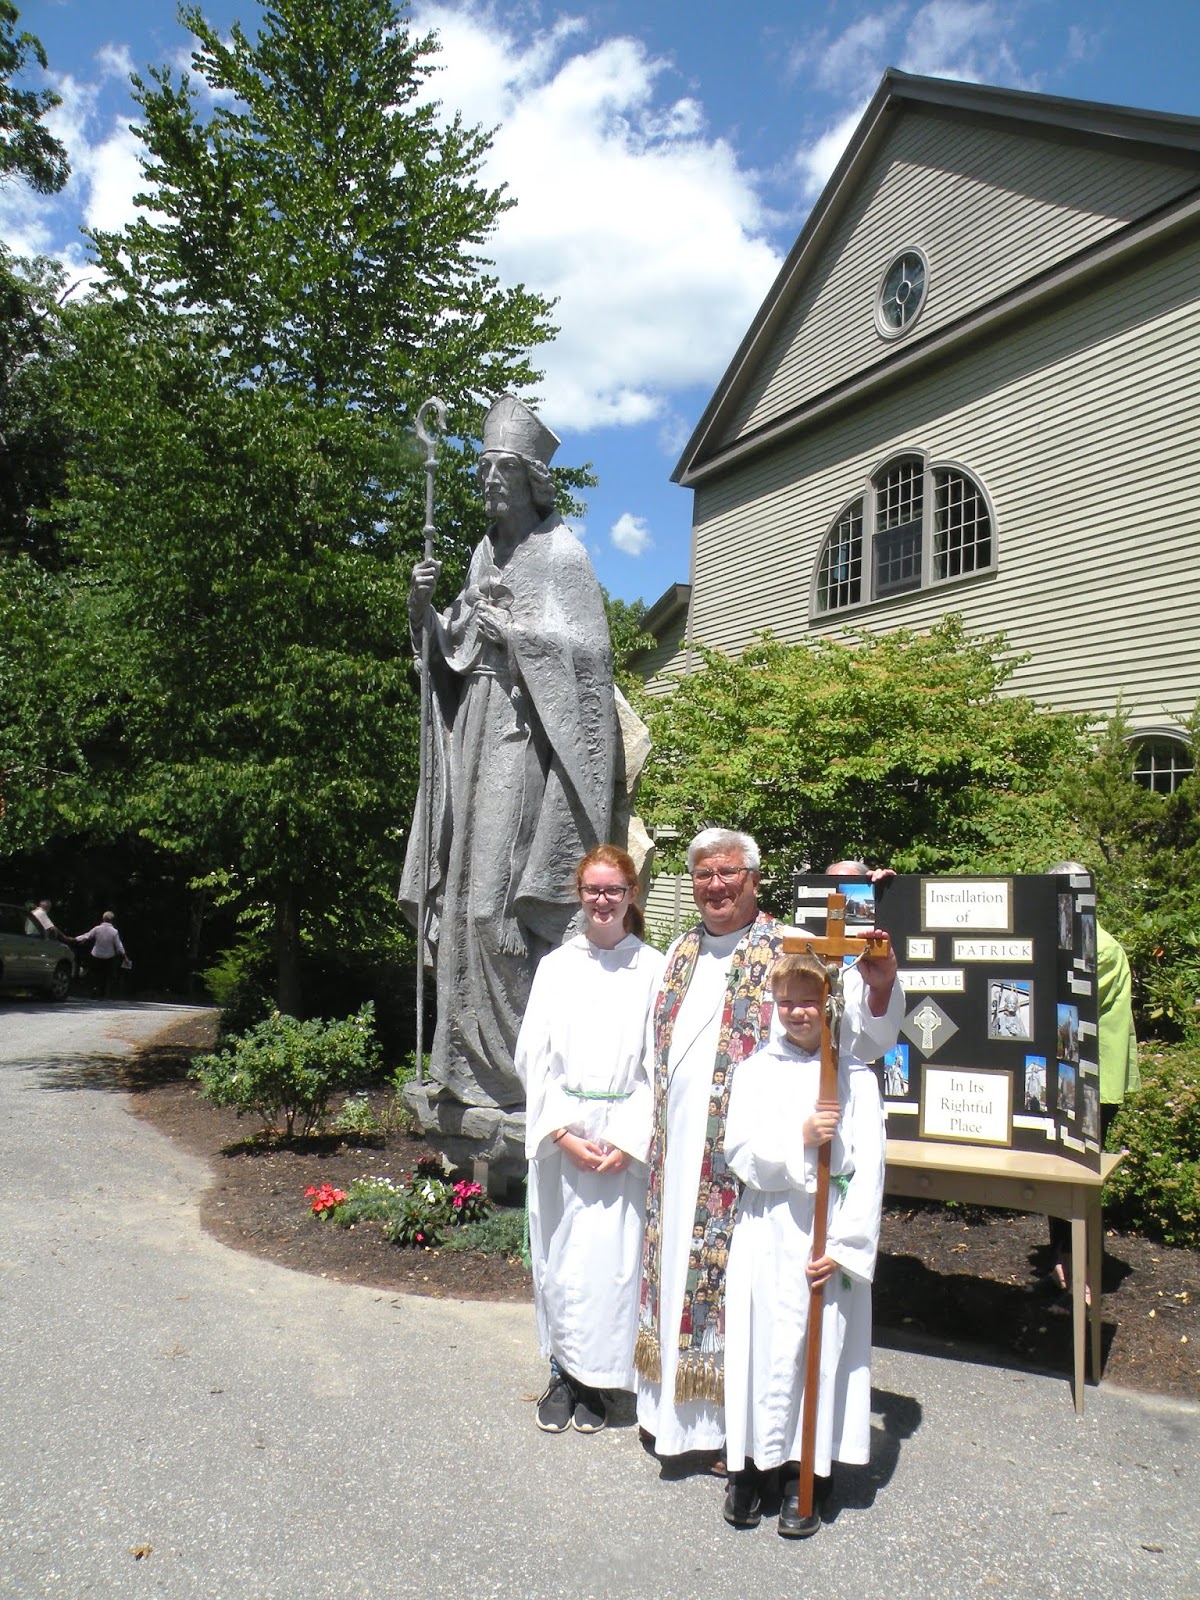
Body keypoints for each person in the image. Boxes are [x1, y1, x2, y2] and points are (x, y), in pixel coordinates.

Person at [399, 395, 616, 1113]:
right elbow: (453, 652)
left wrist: (519, 638)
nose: (488, 480)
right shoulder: (482, 551)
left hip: (524, 741)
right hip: (474, 727)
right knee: (461, 895)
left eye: (502, 468)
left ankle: (522, 1074)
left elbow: (591, 662)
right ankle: (464, 1067)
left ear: (531, 477)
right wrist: (425, 612)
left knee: (495, 908)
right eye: (483, 467)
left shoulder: (564, 555)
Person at [721, 950, 902, 1537]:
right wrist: (799, 1139)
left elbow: (870, 1167)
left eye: (808, 1000)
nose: (797, 1012)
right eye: (786, 1002)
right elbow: (739, 1152)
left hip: (828, 1233)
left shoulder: (854, 1076)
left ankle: (808, 1473)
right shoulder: (754, 1071)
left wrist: (845, 1246)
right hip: (769, 1226)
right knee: (759, 1346)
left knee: (819, 1355)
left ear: (828, 1003)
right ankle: (750, 1467)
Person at [515, 844, 665, 1435]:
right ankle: (561, 1373)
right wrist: (560, 1132)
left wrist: (627, 1140)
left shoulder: (654, 969)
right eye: (592, 890)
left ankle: (597, 1381)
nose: (602, 901)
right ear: (579, 895)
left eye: (613, 890)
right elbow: (534, 1057)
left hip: (623, 1141)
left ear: (632, 895)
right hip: (565, 1139)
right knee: (560, 1261)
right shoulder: (557, 967)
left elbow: (661, 1065)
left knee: (612, 1267)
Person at [1046, 860, 1140, 1291]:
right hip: (1071, 1075)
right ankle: (1065, 1264)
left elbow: (1066, 1004)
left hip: (1094, 1081)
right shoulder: (1067, 940)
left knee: (1079, 1177)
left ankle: (1081, 1273)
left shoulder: (1098, 949)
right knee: (1057, 1171)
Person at [75, 912, 126, 998]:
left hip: (96, 954)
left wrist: (76, 939)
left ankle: (93, 989)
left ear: (103, 918)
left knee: (95, 973)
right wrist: (124, 956)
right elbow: (119, 945)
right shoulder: (114, 931)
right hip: (109, 956)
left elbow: (87, 936)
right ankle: (102, 992)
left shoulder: (97, 929)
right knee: (105, 975)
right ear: (112, 920)